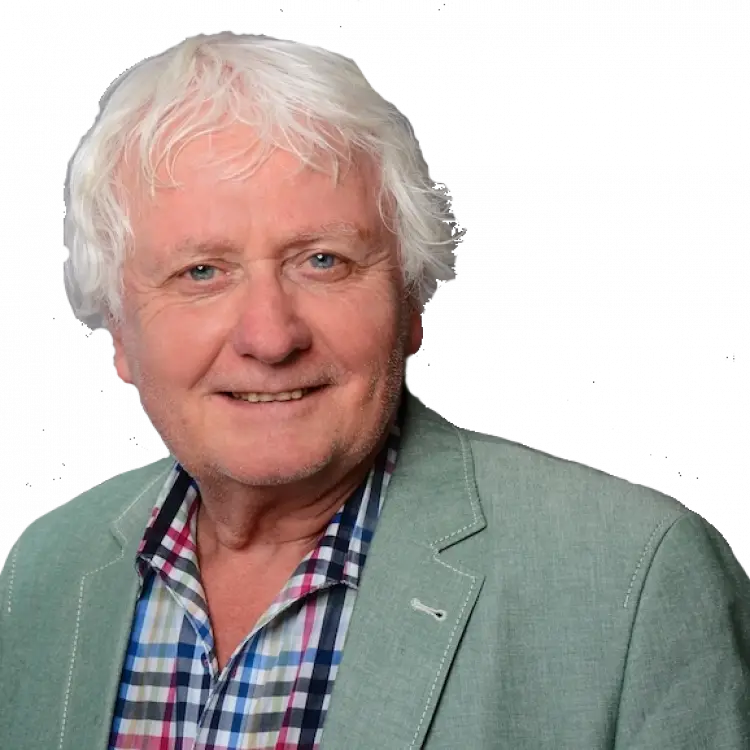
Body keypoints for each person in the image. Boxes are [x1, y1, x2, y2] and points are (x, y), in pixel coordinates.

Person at [1, 30, 747, 750]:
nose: (271, 337)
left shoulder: (635, 576)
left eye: (323, 260)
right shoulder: (40, 571)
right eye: (202, 272)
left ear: (411, 300)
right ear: (119, 331)